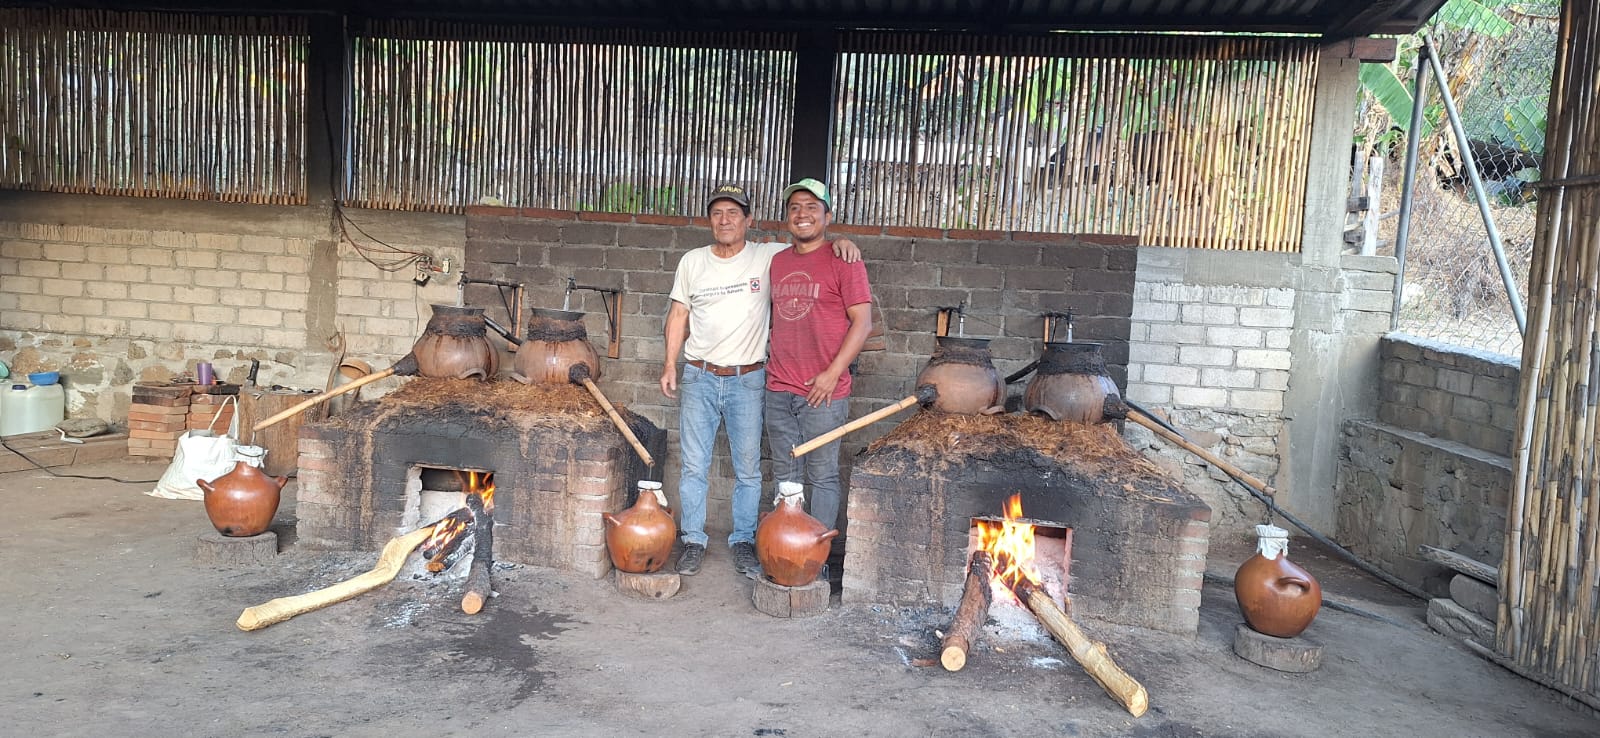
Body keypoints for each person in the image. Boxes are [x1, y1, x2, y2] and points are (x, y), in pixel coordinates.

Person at [660, 183, 859, 576]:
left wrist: (844, 241)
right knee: (693, 466)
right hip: (699, 375)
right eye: (717, 213)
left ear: (749, 220)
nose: (725, 220)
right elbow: (678, 315)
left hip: (749, 380)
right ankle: (694, 540)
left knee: (748, 470)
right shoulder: (693, 261)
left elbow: (812, 242)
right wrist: (671, 364)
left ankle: (744, 541)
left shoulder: (769, 256)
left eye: (734, 213)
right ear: (709, 221)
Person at [764, 178, 873, 556]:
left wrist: (832, 373)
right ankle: (787, 552)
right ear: (787, 218)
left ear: (828, 215)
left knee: (822, 476)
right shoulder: (777, 261)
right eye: (795, 207)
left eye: (812, 207)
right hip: (779, 387)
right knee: (786, 475)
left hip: (825, 391)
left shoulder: (845, 260)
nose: (802, 214)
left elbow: (863, 323)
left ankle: (818, 557)